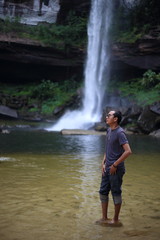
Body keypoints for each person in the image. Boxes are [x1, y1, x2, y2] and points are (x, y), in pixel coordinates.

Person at [97, 110, 132, 225]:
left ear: (115, 119)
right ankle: (104, 218)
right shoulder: (109, 130)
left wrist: (115, 164)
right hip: (107, 167)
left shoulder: (120, 133)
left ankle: (115, 220)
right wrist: (103, 163)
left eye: (109, 115)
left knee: (116, 192)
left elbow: (128, 151)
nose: (106, 117)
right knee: (103, 191)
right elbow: (108, 149)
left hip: (116, 169)